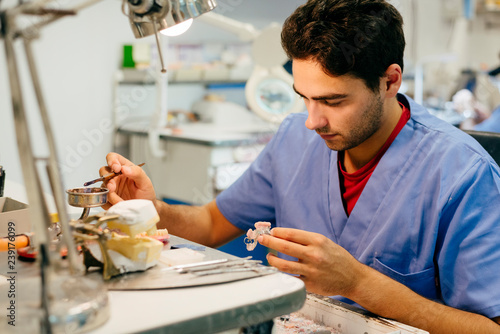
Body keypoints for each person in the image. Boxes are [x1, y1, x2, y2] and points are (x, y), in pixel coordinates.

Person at [100, 1, 500, 332]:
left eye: (333, 101)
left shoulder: (463, 176)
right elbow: (210, 223)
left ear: (390, 80)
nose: (313, 120)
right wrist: (153, 212)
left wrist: (358, 283)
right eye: (303, 97)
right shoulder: (295, 138)